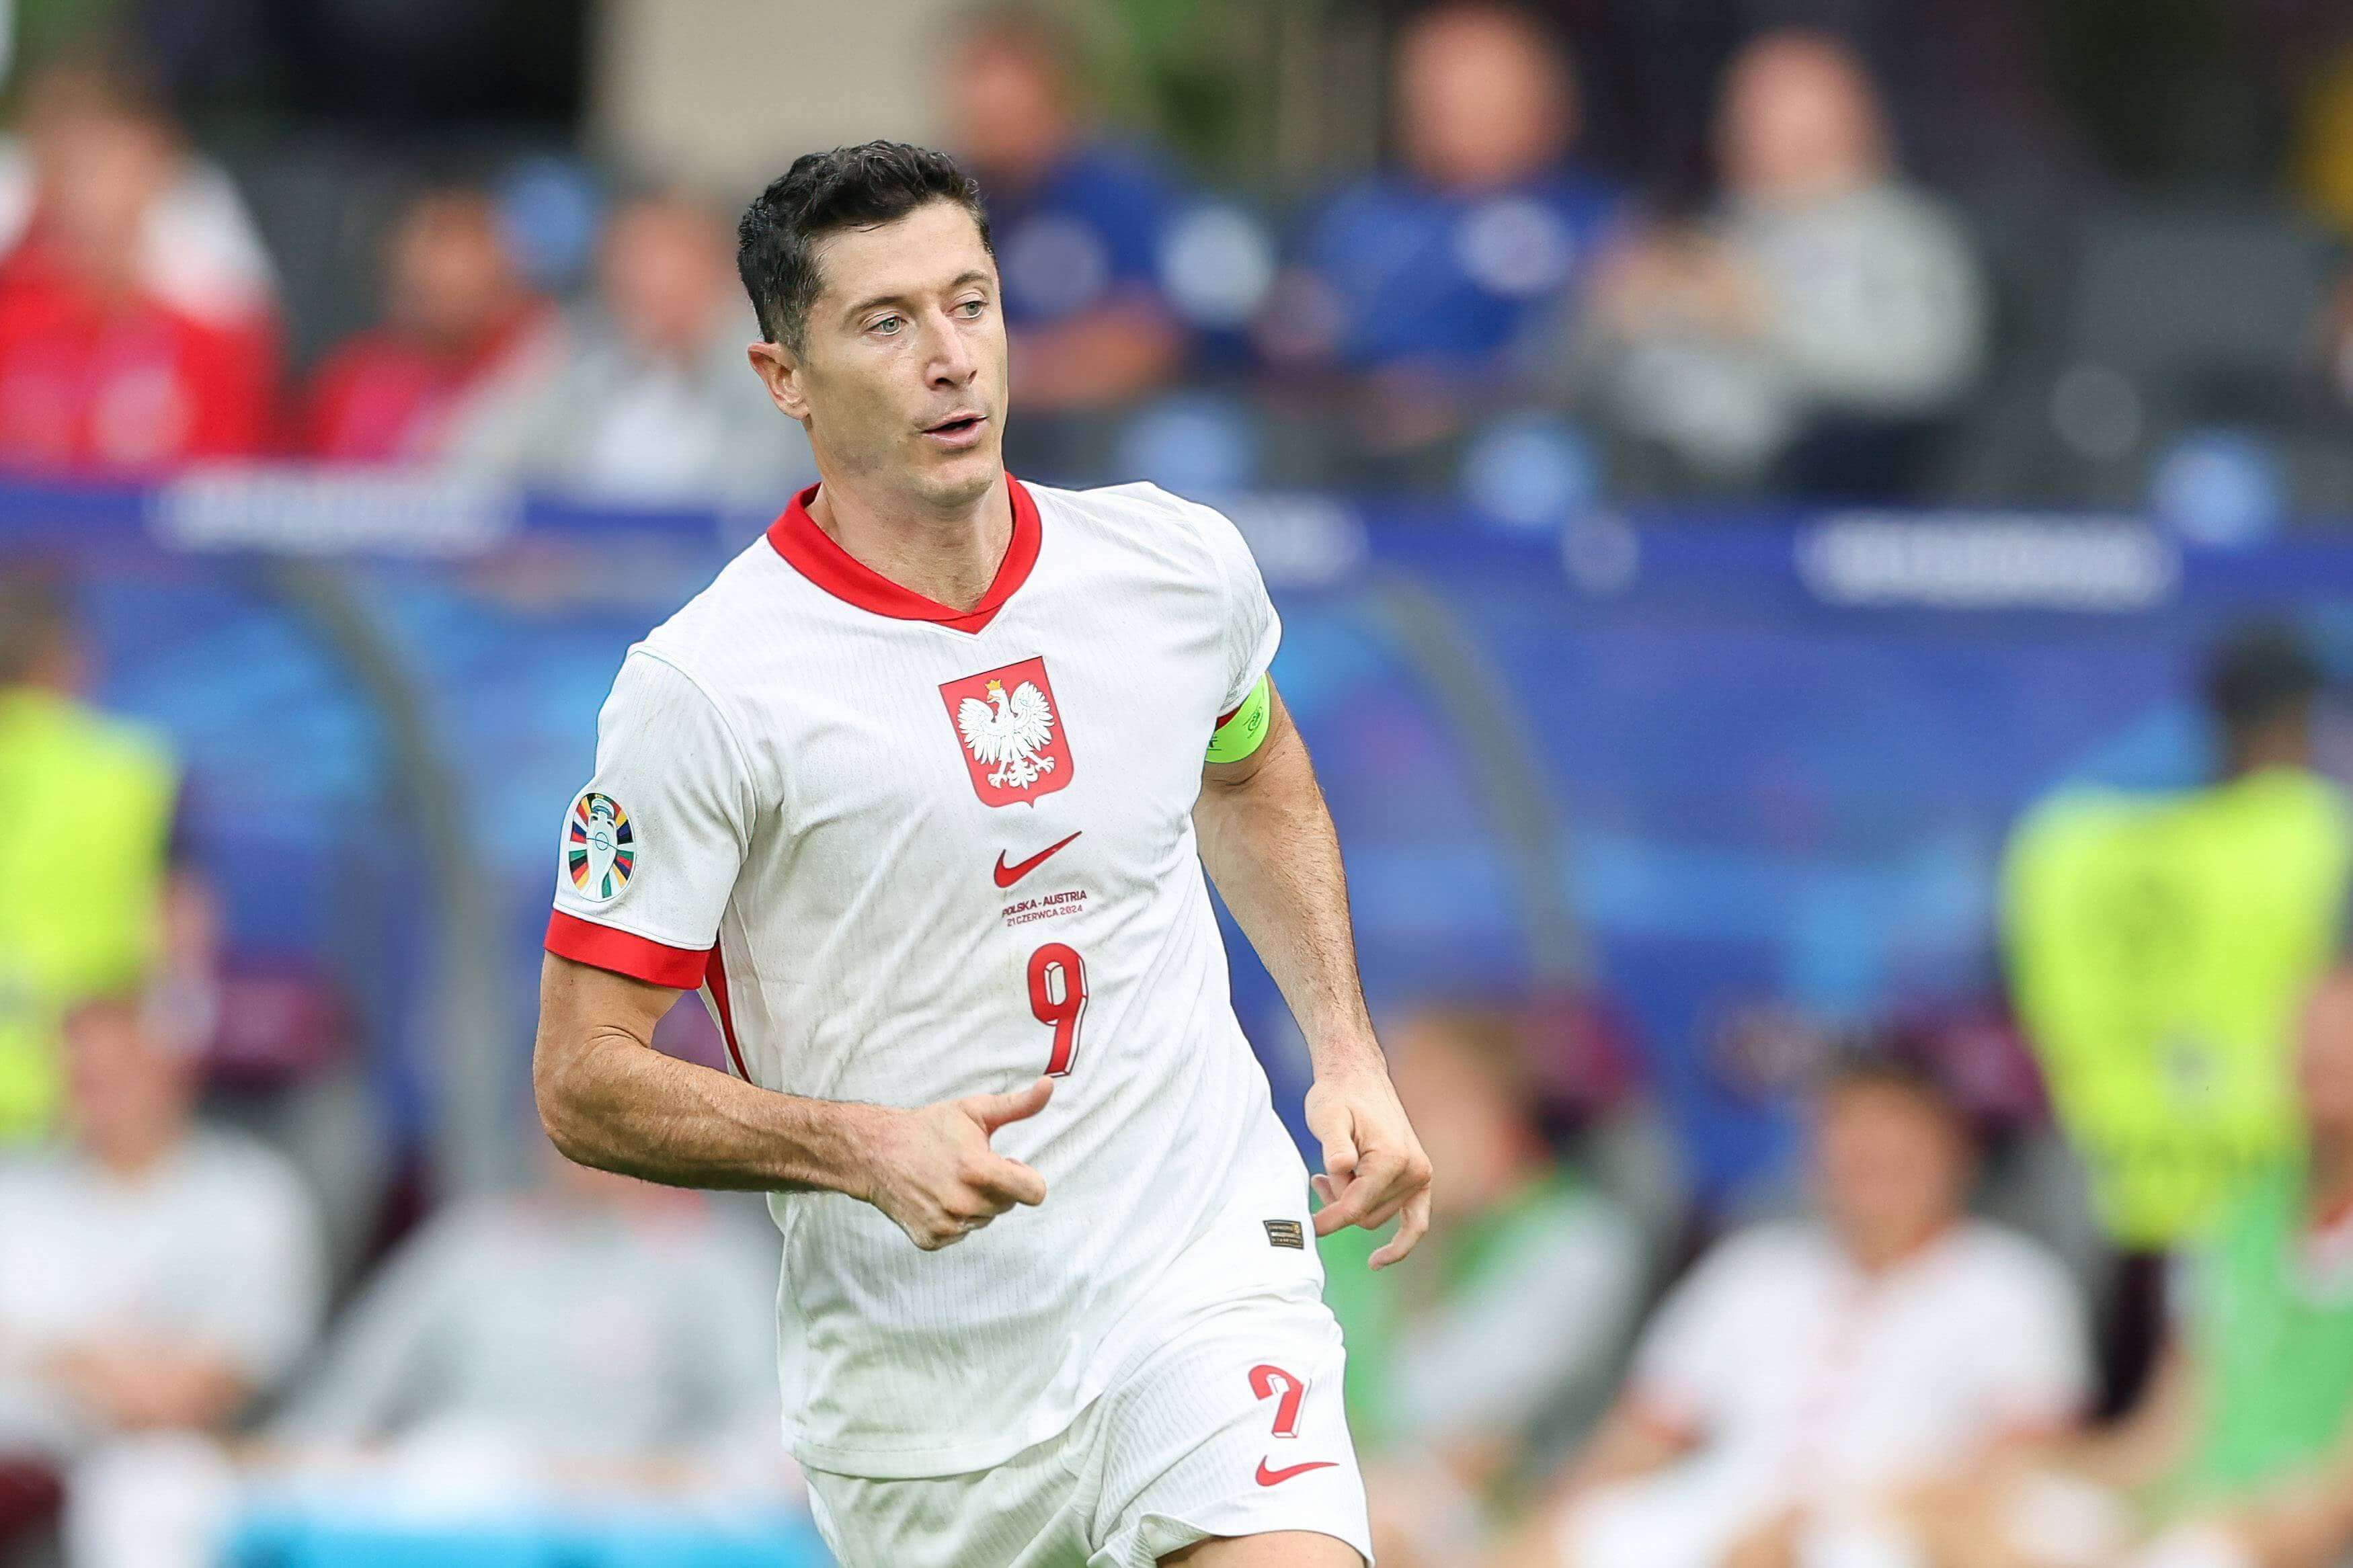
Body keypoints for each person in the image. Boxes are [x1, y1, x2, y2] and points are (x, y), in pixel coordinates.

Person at [531, 141, 1431, 1568]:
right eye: (886, 322)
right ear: (783, 377)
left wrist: (1346, 1050)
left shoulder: (1171, 566)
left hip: (1196, 1287)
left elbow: (1251, 762)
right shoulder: (705, 688)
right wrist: (860, 1144)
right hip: (926, 1402)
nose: (950, 357)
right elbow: (583, 1075)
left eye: (971, 302)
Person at [1487, 1057, 2091, 1568]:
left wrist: (1826, 1519)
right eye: (1852, 1137)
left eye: (1895, 1140)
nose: (1871, 1159)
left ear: (1953, 1153)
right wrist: (1553, 1518)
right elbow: (1647, 1430)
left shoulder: (2012, 1281)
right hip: (1723, 1506)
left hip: (1900, 1522)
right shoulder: (1753, 1267)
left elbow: (2021, 1456)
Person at [2005, 625, 2352, 1409]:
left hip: (2101, 1193)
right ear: (2296, 723)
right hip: (2264, 1208)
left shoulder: (2067, 850)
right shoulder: (2314, 840)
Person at [1911, 965, 2353, 1568]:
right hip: (2193, 1517)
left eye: (2345, 1034)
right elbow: (2166, 1436)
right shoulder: (2237, 1218)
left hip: (2277, 1539)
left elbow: (2332, 1500)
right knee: (1978, 1513)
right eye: (2313, 1033)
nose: (2325, 1052)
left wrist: (2213, 1536)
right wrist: (2029, 1472)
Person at [1569, 29, 1984, 497]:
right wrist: (1609, 315)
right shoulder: (1702, 231)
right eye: (1745, 110)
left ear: (1852, 119)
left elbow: (1930, 372)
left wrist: (1764, 323)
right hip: (1640, 473)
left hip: (1806, 483)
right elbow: (1579, 376)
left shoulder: (1904, 238)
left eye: (1783, 109)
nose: (1758, 127)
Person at [0, 990, 326, 1565]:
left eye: (116, 1074)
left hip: (193, 1461)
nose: (95, 1095)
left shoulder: (253, 1198)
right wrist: (109, 1361)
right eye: (82, 1077)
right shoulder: (19, 1193)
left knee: (153, 1488)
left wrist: (61, 1355)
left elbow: (195, 1392)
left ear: (176, 1073)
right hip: (24, 1450)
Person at [1321, 1008, 1644, 1568]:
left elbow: (1430, 1405)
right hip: (1337, 1475)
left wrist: (1431, 1240)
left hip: (1508, 1520)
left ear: (1504, 1117)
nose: (1389, 1129)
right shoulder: (1339, 1211)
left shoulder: (1577, 1241)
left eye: (1427, 1104)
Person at [268, 1151, 783, 1497]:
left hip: (638, 1530)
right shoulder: (468, 1244)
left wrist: (583, 1483)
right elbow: (335, 1411)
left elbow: (767, 1449)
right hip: (457, 1512)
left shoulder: (715, 1260)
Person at [1263, 3, 1622, 456]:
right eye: (1432, 85)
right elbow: (1289, 336)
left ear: (1544, 103)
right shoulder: (1356, 217)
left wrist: (1458, 395)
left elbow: (1583, 360)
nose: (1446, 106)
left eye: (1476, 90)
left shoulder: (1596, 225)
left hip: (1504, 436)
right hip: (1350, 436)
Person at [0, 570, 206, 1145]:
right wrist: (173, 1047)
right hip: (84, 1089)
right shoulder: (132, 771)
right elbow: (181, 922)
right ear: (69, 659)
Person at [939, 3, 1189, 471]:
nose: (992, 130)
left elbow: (1145, 343)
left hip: (1109, 428)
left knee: (1186, 450)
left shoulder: (1118, 192)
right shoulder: (940, 201)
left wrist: (1013, 370)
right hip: (972, 429)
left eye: (1009, 112)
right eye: (980, 115)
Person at [0, 51, 276, 471]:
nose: (88, 196)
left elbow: (232, 487)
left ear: (157, 170)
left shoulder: (215, 340)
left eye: (107, 167)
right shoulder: (12, 323)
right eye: (70, 168)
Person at [456, 189, 816, 504]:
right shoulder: (583, 356)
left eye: (667, 258)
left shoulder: (776, 368)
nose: (643, 279)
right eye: (629, 259)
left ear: (722, 268)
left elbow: (759, 493)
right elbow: (477, 457)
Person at [301, 181, 563, 464]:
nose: (422, 262)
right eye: (413, 239)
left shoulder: (555, 363)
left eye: (448, 237)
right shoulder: (352, 377)